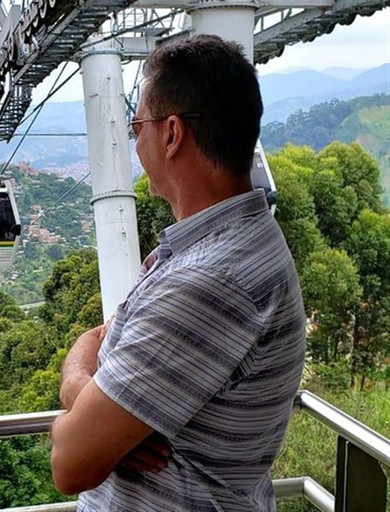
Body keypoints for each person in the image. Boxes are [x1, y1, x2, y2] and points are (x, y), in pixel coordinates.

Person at [50, 35, 306, 511]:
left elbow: (70, 463)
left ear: (171, 134)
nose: (136, 140)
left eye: (137, 126)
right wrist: (93, 397)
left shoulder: (210, 281)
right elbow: (102, 335)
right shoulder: (232, 244)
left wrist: (76, 388)